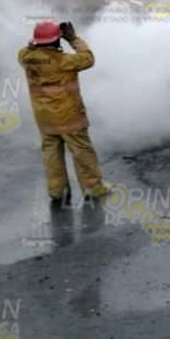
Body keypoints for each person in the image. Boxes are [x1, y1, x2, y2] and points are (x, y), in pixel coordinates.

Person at [18, 20, 111, 205]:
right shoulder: (65, 61)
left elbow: (23, 51)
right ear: (57, 40)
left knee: (51, 153)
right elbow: (88, 58)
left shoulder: (27, 59)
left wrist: (33, 44)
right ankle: (93, 188)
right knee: (82, 151)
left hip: (45, 119)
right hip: (70, 117)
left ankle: (57, 191)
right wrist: (73, 38)